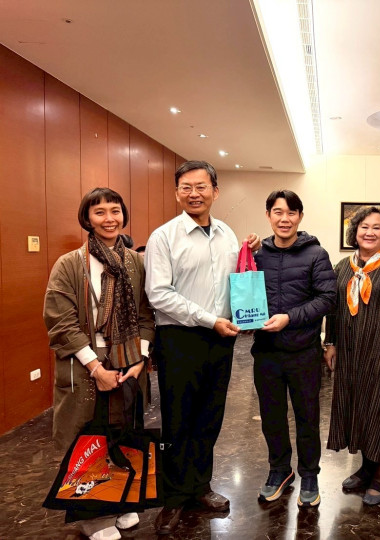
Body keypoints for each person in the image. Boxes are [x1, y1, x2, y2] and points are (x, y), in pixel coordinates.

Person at [144, 160, 258, 535]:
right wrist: (210, 319)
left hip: (220, 339)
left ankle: (199, 486)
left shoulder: (227, 234)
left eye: (201, 187)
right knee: (178, 419)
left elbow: (235, 280)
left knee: (210, 416)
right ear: (177, 193)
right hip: (180, 338)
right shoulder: (164, 237)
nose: (194, 194)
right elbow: (159, 294)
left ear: (215, 191)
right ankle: (174, 497)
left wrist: (251, 255)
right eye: (186, 187)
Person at [43, 187, 154, 540]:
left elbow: (147, 314)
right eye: (100, 212)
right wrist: (96, 368)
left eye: (115, 211)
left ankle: (121, 500)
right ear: (87, 219)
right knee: (87, 436)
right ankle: (92, 516)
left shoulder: (135, 262)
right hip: (86, 364)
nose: (109, 219)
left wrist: (140, 359)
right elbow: (61, 322)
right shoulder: (69, 264)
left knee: (123, 432)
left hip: (128, 359)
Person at [252, 190, 336, 508]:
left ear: (300, 216)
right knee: (272, 417)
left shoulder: (316, 254)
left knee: (307, 418)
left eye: (291, 213)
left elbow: (327, 299)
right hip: (266, 352)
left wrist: (289, 318)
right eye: (278, 212)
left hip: (304, 352)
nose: (284, 219)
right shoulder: (258, 254)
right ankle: (279, 470)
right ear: (268, 215)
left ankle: (310, 474)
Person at [324, 206, 380, 506]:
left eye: (377, 227)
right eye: (364, 227)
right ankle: (365, 468)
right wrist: (330, 343)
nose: (369, 232)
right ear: (355, 231)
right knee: (358, 411)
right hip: (350, 355)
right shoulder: (343, 266)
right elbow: (334, 309)